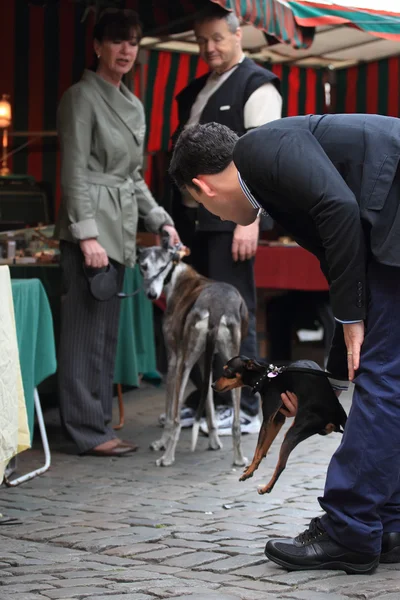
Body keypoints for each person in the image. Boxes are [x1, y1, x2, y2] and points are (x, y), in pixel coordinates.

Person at [169, 114, 400, 573]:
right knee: (384, 374)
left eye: (201, 207)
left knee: (384, 378)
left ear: (203, 188)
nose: (212, 217)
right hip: (389, 225)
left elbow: (338, 209)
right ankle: (386, 523)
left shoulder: (260, 149)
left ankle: (349, 529)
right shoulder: (269, 175)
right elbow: (341, 258)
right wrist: (329, 380)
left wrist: (354, 317)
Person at [55, 9, 180, 457]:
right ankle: (85, 430)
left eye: (133, 42)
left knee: (104, 337)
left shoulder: (132, 102)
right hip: (91, 230)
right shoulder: (80, 97)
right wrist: (86, 234)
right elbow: (74, 173)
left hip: (120, 229)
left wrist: (159, 218)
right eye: (117, 41)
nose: (126, 50)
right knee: (83, 336)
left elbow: (132, 177)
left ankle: (97, 424)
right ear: (98, 46)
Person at [167, 5, 282, 436]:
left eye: (216, 38)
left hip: (233, 218)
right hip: (193, 220)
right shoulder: (197, 88)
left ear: (239, 35)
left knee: (235, 313)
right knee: (197, 316)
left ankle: (250, 404)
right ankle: (210, 401)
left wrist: (251, 220)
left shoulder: (259, 85)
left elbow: (264, 158)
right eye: (201, 40)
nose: (208, 47)